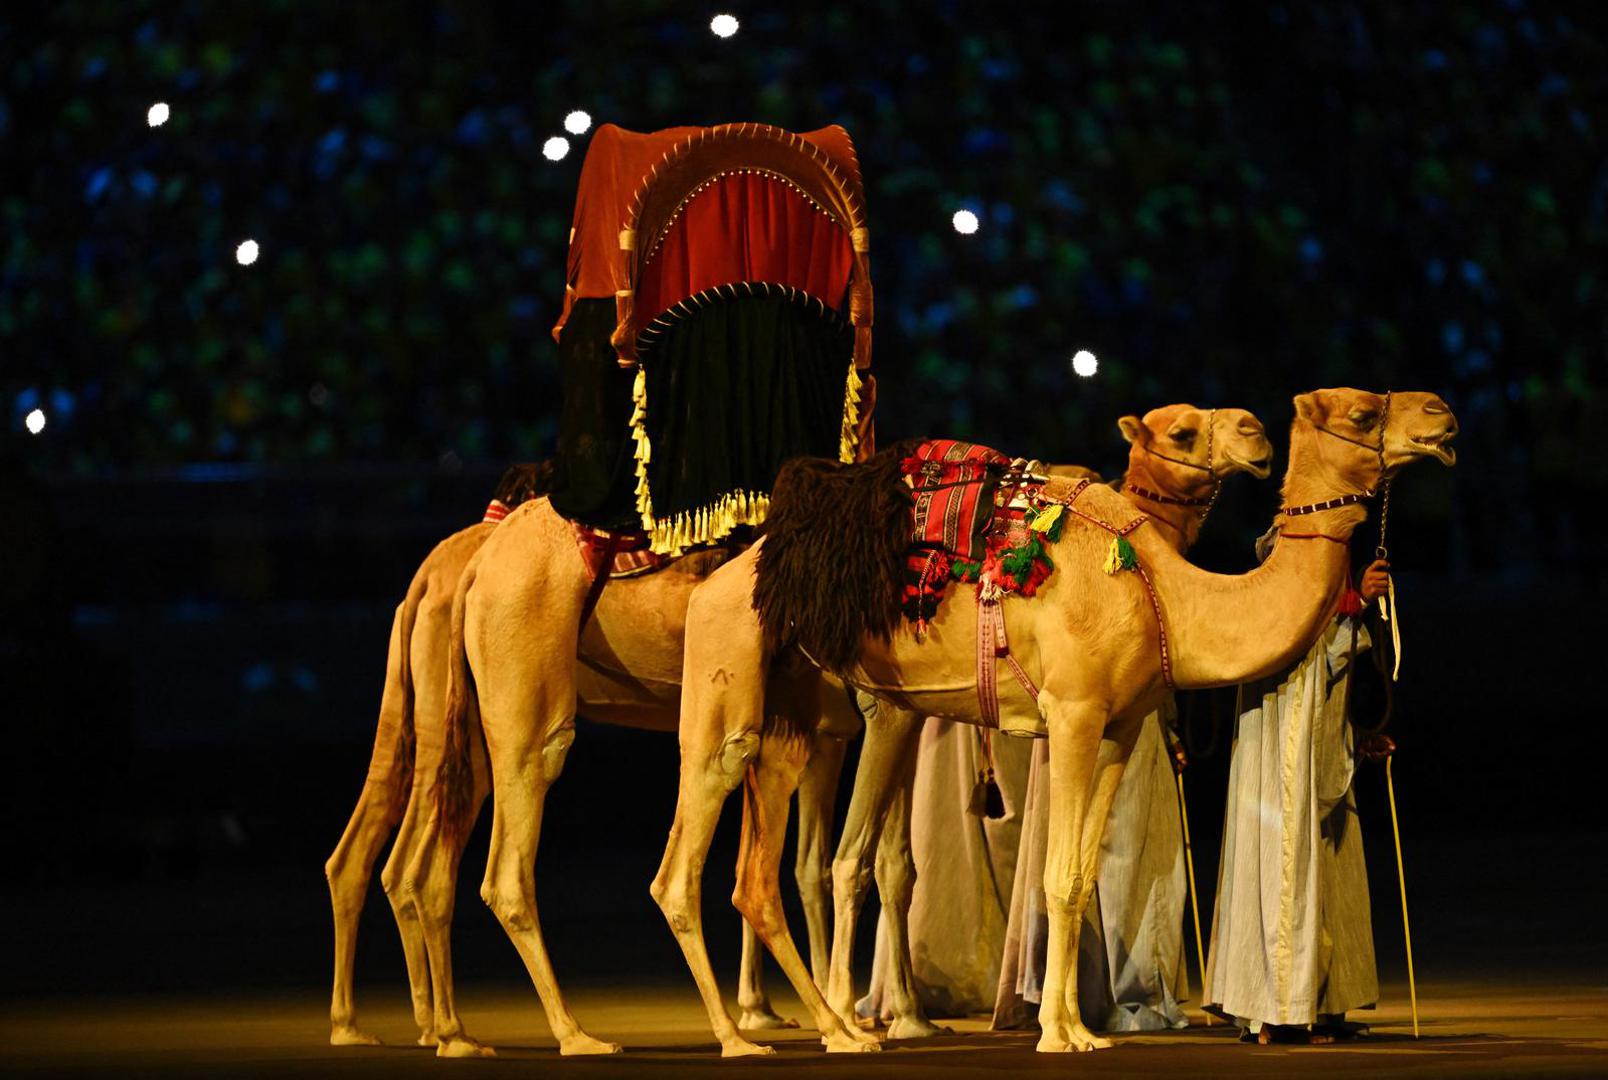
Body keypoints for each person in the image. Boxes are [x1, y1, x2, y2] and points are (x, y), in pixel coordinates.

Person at [1202, 541, 1392, 1045]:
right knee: (1287, 865)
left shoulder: (1313, 599)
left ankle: (1322, 1002)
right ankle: (1278, 1009)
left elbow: (1333, 680)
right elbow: (1314, 662)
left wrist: (1360, 733)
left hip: (1325, 751)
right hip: (1285, 766)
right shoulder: (1281, 609)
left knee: (1332, 870)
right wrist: (1358, 606)